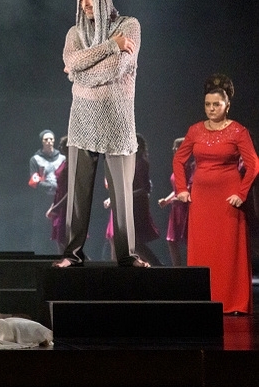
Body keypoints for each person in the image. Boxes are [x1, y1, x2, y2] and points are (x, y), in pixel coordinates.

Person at [55, 0, 148, 268]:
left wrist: (78, 71)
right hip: (82, 120)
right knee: (77, 194)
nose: (85, 4)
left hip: (117, 121)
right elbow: (71, 61)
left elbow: (115, 68)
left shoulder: (129, 26)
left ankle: (127, 255)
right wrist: (110, 46)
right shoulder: (75, 33)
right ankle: (72, 254)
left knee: (122, 195)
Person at [173, 74, 259, 314]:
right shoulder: (195, 130)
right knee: (203, 248)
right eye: (207, 104)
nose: (211, 109)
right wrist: (182, 189)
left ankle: (233, 303)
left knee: (228, 251)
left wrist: (242, 193)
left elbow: (254, 164)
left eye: (216, 104)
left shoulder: (238, 131)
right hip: (201, 198)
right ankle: (203, 299)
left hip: (228, 199)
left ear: (227, 105)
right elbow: (179, 159)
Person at [103, 134, 161, 266]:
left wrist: (118, 198)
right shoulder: (127, 162)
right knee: (119, 239)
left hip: (135, 204)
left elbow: (143, 189)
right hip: (125, 203)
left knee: (134, 241)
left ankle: (156, 264)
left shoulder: (141, 163)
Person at [28, 130, 65, 253]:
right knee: (41, 227)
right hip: (43, 199)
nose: (49, 142)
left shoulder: (62, 158)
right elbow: (34, 181)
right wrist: (49, 186)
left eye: (51, 139)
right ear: (42, 142)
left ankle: (59, 253)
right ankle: (40, 253)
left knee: (59, 226)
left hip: (59, 198)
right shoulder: (35, 159)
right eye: (46, 139)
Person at [159, 137, 192, 266]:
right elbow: (176, 189)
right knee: (171, 241)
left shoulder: (190, 166)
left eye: (177, 147)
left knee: (188, 240)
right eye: (174, 147)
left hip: (186, 208)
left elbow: (190, 187)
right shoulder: (178, 165)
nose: (174, 149)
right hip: (176, 208)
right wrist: (166, 200)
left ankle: (192, 267)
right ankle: (177, 269)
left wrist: (178, 198)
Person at [46, 136, 70, 254]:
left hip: (66, 206)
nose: (60, 147)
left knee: (64, 241)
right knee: (60, 241)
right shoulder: (65, 162)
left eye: (62, 145)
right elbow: (59, 190)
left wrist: (57, 207)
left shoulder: (72, 165)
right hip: (59, 203)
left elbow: (70, 191)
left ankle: (85, 263)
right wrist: (53, 206)